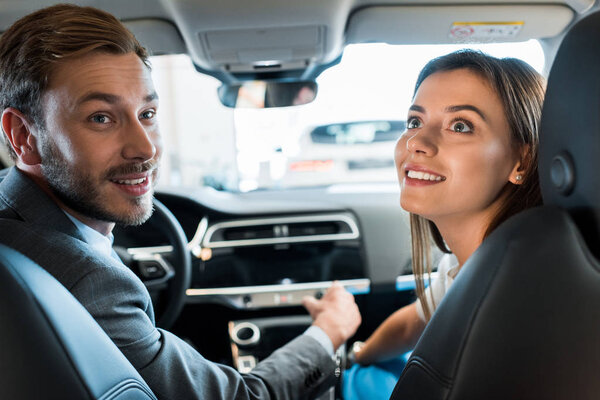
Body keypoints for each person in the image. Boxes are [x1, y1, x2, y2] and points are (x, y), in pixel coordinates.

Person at [0, 4, 360, 400]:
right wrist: (329, 332)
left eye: (148, 112)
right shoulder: (87, 281)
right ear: (23, 135)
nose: (145, 147)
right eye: (101, 118)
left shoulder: (17, 226)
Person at [342, 50, 545, 400]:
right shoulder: (468, 266)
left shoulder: (521, 298)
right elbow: (411, 323)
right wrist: (355, 355)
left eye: (460, 125)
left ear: (521, 162)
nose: (415, 142)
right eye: (414, 122)